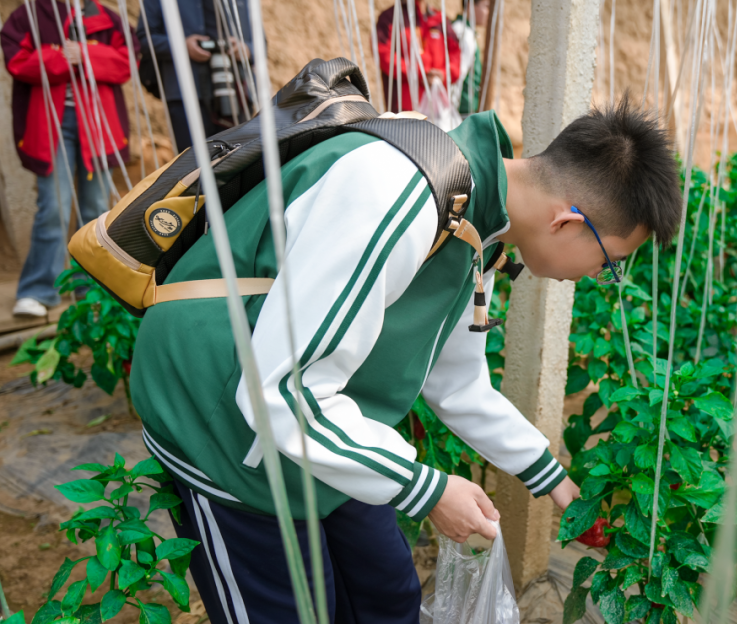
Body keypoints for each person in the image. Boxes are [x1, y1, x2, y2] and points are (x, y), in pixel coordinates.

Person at [129, 97, 682, 623]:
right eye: (610, 262)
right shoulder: (401, 197)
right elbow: (281, 392)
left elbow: (457, 382)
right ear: (567, 222)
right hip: (226, 422)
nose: (599, 276)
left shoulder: (479, 224)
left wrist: (553, 480)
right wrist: (430, 491)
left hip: (322, 415)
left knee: (388, 595)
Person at [2, 0, 137, 318]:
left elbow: (127, 63)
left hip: (99, 125)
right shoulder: (29, 14)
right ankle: (38, 290)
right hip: (49, 125)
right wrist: (62, 57)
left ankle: (91, 287)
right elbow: (17, 62)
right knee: (54, 207)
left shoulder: (107, 16)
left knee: (96, 207)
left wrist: (86, 54)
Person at [136, 0, 252, 152]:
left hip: (237, 92)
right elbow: (143, 39)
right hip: (184, 93)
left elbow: (259, 44)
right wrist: (182, 46)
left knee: (239, 158)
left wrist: (246, 49)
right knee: (192, 162)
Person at [377, 0, 460, 112]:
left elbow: (455, 56)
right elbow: (385, 56)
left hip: (438, 107)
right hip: (405, 107)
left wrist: (443, 75)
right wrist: (420, 74)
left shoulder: (439, 19)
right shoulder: (390, 18)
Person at [451, 0, 489, 116]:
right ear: (470, 5)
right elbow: (456, 76)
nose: (488, 12)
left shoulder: (467, 32)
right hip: (459, 110)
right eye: (486, 7)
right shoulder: (462, 33)